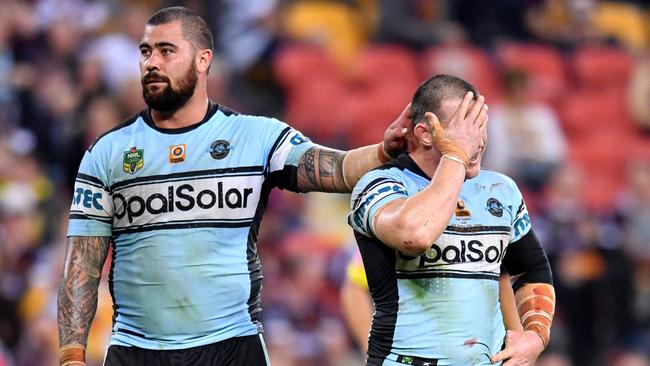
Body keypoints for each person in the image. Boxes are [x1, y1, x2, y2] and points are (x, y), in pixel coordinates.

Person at [56, 6, 414, 366]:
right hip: (138, 350)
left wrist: (383, 151)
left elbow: (334, 168)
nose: (152, 62)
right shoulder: (107, 152)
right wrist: (72, 355)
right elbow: (82, 263)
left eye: (167, 51)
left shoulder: (255, 137)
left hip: (232, 347)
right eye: (146, 51)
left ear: (202, 60)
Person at [348, 74, 556, 365]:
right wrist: (456, 158)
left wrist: (534, 336)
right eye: (464, 129)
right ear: (425, 133)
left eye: (481, 126)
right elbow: (414, 235)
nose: (478, 141)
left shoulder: (501, 190)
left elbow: (530, 269)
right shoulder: (380, 186)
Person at [340, 249, 522, 356]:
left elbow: (501, 283)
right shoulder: (408, 217)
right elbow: (354, 289)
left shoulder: (485, 217)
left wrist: (518, 349)